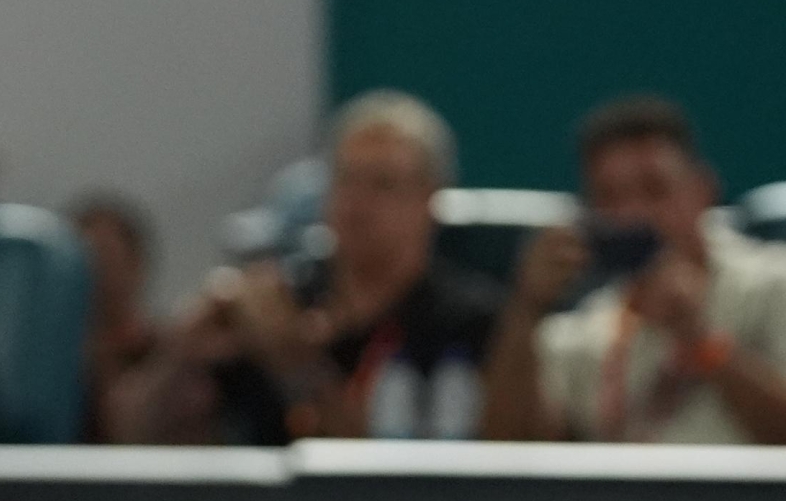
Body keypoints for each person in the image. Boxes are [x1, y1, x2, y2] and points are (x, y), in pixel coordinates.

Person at [110, 90, 502, 444]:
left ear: (428, 199)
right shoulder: (283, 296)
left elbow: (393, 481)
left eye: (383, 184)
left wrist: (292, 360)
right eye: (347, 179)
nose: (358, 201)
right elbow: (128, 431)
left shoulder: (470, 321)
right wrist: (179, 356)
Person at [481, 97, 786, 444]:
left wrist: (701, 340)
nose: (633, 215)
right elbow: (509, 454)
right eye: (610, 196)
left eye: (654, 189)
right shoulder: (583, 332)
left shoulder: (775, 285)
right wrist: (526, 308)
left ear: (702, 191)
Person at [68, 190, 159, 442]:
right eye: (82, 261)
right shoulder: (53, 363)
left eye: (106, 257)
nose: (95, 273)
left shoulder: (166, 352)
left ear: (137, 264)